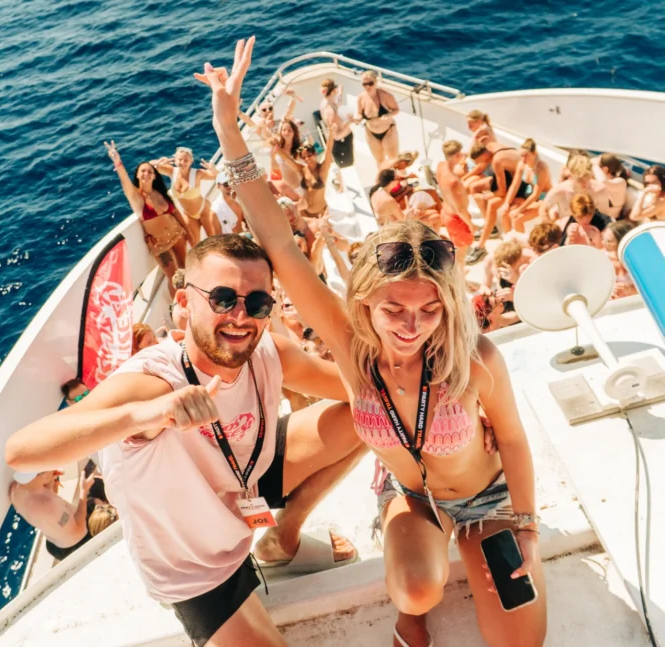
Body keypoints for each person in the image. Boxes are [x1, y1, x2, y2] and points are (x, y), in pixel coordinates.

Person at [199, 37, 546, 647]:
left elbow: (513, 439)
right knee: (415, 590)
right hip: (411, 497)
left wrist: (527, 527)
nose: (413, 325)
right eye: (394, 309)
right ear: (363, 304)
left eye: (430, 309)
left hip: (486, 499)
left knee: (520, 643)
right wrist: (230, 131)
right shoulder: (348, 342)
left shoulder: (475, 359)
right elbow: (278, 241)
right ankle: (411, 619)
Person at [6, 231, 368, 647]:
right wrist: (145, 415)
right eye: (223, 299)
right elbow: (22, 450)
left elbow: (361, 390)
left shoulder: (269, 353)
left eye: (256, 303)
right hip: (194, 564)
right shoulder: (153, 383)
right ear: (184, 301)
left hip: (245, 484)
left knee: (370, 415)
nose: (240, 316)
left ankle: (280, 541)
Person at [104, 142, 189, 295]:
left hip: (177, 234)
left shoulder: (160, 192)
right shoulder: (136, 197)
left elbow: (175, 213)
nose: (146, 173)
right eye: (142, 171)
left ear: (155, 176)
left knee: (185, 268)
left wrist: (188, 231)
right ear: (137, 175)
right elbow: (124, 181)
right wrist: (117, 162)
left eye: (150, 171)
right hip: (160, 244)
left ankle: (190, 298)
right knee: (174, 278)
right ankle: (178, 304)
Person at [9, 467, 98, 561]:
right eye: (51, 466)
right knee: (97, 496)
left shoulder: (16, 488)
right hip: (74, 544)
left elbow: (46, 512)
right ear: (43, 474)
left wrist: (50, 485)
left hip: (53, 544)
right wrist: (83, 491)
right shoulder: (50, 507)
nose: (55, 467)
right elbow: (78, 531)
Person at [467, 141, 524, 264]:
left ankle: (481, 246)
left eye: (480, 161)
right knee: (474, 187)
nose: (481, 165)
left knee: (492, 204)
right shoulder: (492, 146)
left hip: (519, 186)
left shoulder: (497, 161)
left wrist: (487, 196)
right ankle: (491, 227)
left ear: (484, 155)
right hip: (509, 178)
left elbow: (502, 191)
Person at [153, 147, 222, 246]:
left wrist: (213, 170)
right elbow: (150, 167)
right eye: (180, 159)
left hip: (204, 211)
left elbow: (219, 177)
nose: (182, 162)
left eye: (186, 160)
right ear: (175, 160)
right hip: (189, 215)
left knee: (214, 240)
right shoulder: (172, 171)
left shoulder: (198, 173)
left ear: (191, 162)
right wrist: (158, 162)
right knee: (194, 244)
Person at [274, 132, 335, 218]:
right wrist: (277, 149)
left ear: (315, 154)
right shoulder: (303, 170)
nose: (307, 159)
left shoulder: (322, 169)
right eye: (304, 157)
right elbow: (288, 160)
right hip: (305, 211)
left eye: (309, 155)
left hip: (321, 212)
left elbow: (328, 150)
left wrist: (331, 132)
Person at [435, 141, 475, 266]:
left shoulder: (441, 166)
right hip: (457, 218)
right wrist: (471, 225)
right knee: (460, 254)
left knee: (457, 250)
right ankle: (460, 276)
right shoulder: (453, 181)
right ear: (457, 155)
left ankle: (459, 273)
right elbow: (460, 209)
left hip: (446, 213)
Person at [538, 153, 609, 223]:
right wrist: (550, 225)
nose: (584, 182)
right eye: (580, 179)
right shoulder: (560, 191)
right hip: (565, 228)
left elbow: (605, 217)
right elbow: (543, 209)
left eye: (587, 177)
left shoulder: (600, 190)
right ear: (571, 174)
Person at [501, 139, 553, 234]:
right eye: (521, 155)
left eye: (526, 155)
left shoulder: (541, 168)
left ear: (534, 153)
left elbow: (536, 194)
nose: (523, 159)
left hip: (543, 199)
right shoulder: (522, 164)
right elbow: (514, 186)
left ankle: (520, 241)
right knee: (504, 213)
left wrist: (519, 210)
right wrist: (507, 203)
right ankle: (508, 238)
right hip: (531, 197)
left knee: (517, 219)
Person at [355, 70, 400, 166]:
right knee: (379, 161)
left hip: (388, 132)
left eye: (370, 83)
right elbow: (359, 113)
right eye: (364, 84)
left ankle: (401, 175)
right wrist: (357, 118)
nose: (368, 86)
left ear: (376, 82)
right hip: (371, 133)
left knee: (394, 160)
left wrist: (388, 115)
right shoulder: (361, 98)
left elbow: (396, 110)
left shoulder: (385, 95)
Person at [320, 78, 355, 168]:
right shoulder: (331, 112)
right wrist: (350, 122)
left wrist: (340, 93)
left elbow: (337, 103)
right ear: (333, 91)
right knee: (347, 166)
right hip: (342, 143)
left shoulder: (325, 103)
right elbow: (336, 136)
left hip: (341, 142)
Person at [602, 220, 638, 299]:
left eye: (609, 241)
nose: (603, 242)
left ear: (621, 242)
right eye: (603, 238)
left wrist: (629, 289)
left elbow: (650, 288)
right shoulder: (602, 260)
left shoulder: (637, 261)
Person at [270, 119, 303, 188]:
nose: (286, 132)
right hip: (284, 187)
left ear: (294, 132)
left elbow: (297, 164)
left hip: (298, 185)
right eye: (284, 130)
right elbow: (274, 167)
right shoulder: (277, 147)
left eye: (289, 130)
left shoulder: (299, 148)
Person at [595, 153, 629, 220]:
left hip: (611, 221)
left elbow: (603, 183)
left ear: (605, 169)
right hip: (599, 218)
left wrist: (595, 166)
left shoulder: (620, 182)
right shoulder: (598, 179)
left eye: (598, 168)